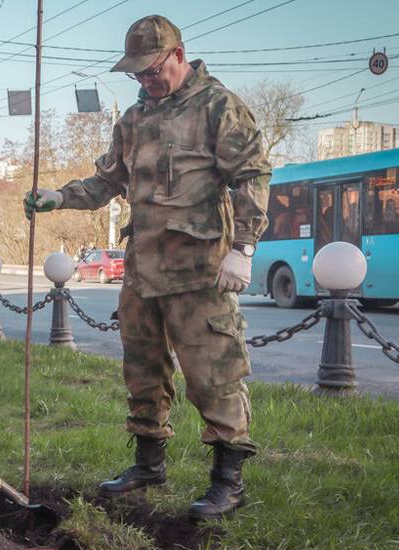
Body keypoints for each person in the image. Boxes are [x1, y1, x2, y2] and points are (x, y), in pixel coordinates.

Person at [24, 15, 270, 521]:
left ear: (178, 54)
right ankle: (148, 464)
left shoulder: (217, 106)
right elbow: (107, 180)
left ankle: (228, 481)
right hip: (142, 269)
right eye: (136, 75)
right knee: (142, 370)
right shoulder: (133, 120)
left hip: (201, 271)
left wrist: (242, 249)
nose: (145, 82)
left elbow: (252, 174)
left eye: (151, 71)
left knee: (213, 373)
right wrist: (58, 197)